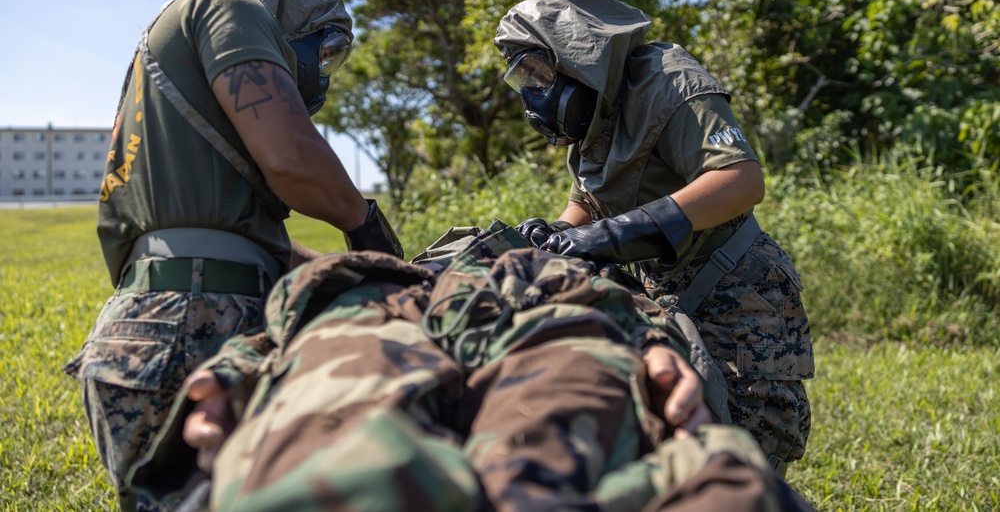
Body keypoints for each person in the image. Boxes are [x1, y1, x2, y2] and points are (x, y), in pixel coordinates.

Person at [128, 221, 817, 512]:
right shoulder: (350, 279)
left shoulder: (530, 261)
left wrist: (653, 342)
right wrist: (232, 372)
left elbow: (616, 304)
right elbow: (278, 333)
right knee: (339, 458)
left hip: (535, 310)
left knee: (559, 417)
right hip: (372, 317)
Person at [63, 0, 403, 512]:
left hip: (139, 328)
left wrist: (343, 273)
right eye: (327, 49)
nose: (325, 71)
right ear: (285, 22)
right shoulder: (229, 7)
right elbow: (293, 158)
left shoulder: (163, 82)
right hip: (198, 329)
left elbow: (234, 241)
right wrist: (366, 230)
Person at [494, 0, 814, 475]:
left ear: (577, 56)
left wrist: (609, 238)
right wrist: (558, 236)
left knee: (748, 454)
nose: (535, 91)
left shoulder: (669, 79)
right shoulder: (596, 120)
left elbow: (740, 180)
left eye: (539, 72)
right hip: (662, 287)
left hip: (735, 285)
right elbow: (587, 199)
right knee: (677, 440)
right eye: (525, 80)